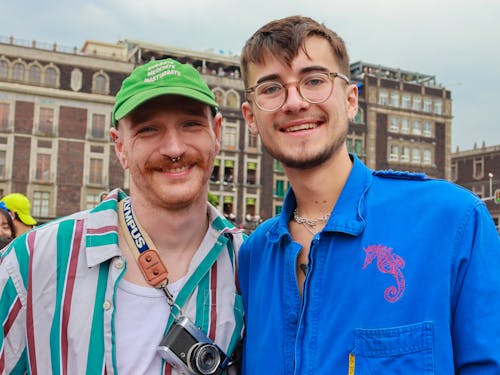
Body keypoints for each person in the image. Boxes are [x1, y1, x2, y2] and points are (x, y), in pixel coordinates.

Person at [237, 15, 500, 374]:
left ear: (350, 100)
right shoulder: (254, 256)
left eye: (314, 81)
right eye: (271, 88)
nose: (294, 102)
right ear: (251, 118)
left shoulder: (452, 220)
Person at [0, 58, 245, 374]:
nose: (173, 148)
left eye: (191, 124)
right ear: (120, 147)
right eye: (148, 129)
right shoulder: (31, 261)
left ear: (217, 133)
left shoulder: (247, 263)